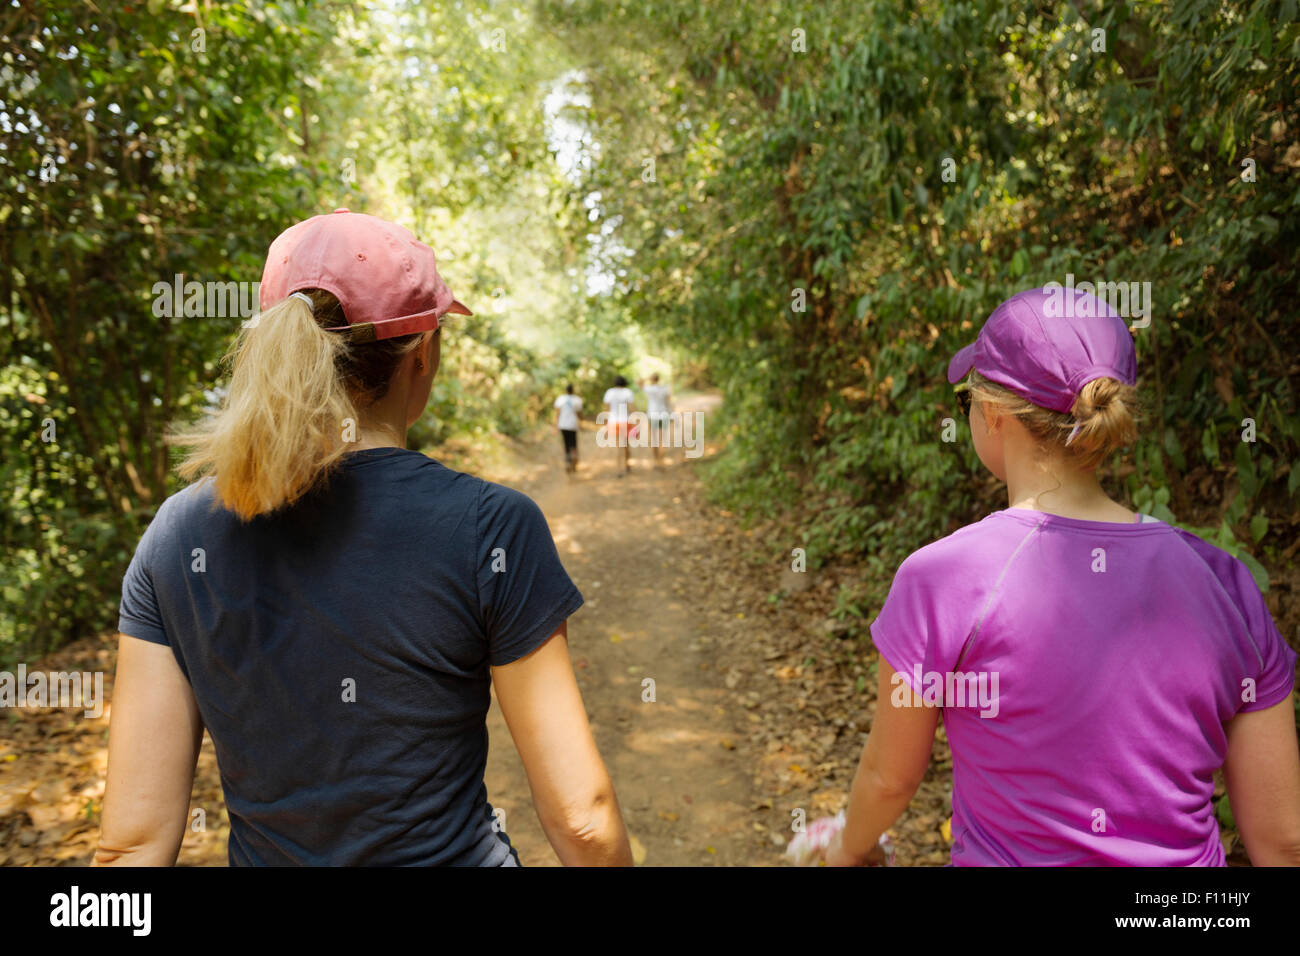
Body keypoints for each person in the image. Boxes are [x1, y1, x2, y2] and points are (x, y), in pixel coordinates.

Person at [96, 210, 632, 867]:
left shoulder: (176, 537)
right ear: (424, 355)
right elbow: (583, 822)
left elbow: (132, 844)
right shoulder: (491, 526)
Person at [824, 287, 1300, 867]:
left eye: (965, 399)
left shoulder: (943, 578)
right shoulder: (1223, 582)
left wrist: (848, 850)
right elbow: (1282, 840)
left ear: (993, 412)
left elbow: (889, 780)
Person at [602, 375, 636, 477]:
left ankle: (619, 469)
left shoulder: (609, 392)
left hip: (613, 422)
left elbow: (606, 408)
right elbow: (632, 408)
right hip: (625, 421)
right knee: (625, 445)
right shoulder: (628, 392)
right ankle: (626, 465)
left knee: (618, 446)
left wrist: (605, 423)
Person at [642, 373, 673, 464]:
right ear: (658, 379)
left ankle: (656, 460)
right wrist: (671, 414)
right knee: (662, 440)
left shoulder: (649, 389)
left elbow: (639, 382)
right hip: (664, 414)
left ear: (652, 379)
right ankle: (661, 461)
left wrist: (647, 378)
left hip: (652, 415)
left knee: (654, 439)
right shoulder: (664, 389)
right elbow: (668, 403)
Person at [554, 384, 583, 473]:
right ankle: (574, 458)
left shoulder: (560, 399)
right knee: (573, 443)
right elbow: (579, 414)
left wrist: (555, 426)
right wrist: (581, 423)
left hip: (563, 424)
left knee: (566, 443)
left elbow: (557, 413)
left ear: (566, 390)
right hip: (573, 424)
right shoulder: (577, 400)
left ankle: (567, 461)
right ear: (573, 390)